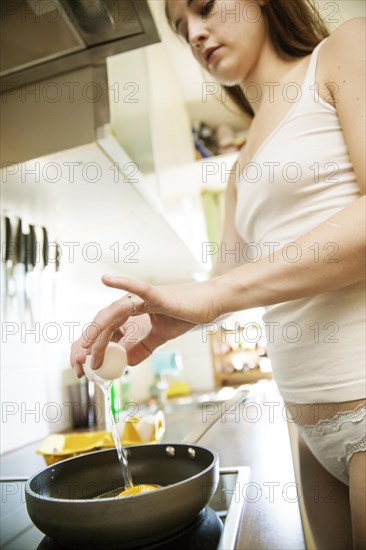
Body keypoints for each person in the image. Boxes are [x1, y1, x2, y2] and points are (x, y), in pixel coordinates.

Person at [71, 1, 365, 548]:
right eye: (183, 29)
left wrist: (217, 293)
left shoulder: (345, 50)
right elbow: (221, 289)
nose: (196, 34)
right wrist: (157, 318)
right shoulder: (242, 164)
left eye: (204, 8)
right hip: (308, 426)